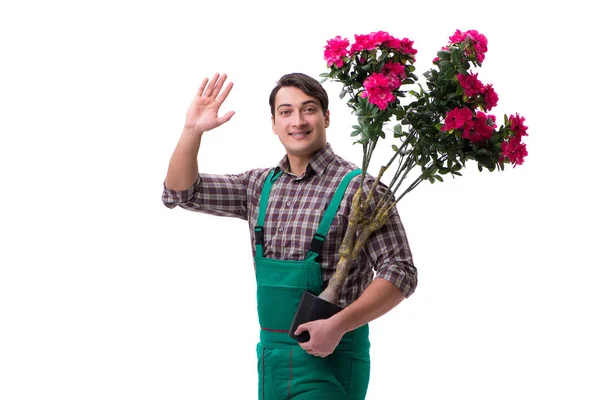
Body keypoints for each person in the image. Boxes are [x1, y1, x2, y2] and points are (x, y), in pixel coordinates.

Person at [162, 72, 417, 399]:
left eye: (308, 109)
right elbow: (181, 193)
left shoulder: (360, 188)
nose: (297, 120)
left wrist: (338, 325)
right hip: (271, 358)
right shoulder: (258, 186)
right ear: (274, 122)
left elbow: (400, 271)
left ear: (326, 117)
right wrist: (192, 130)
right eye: (286, 112)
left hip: (330, 352)